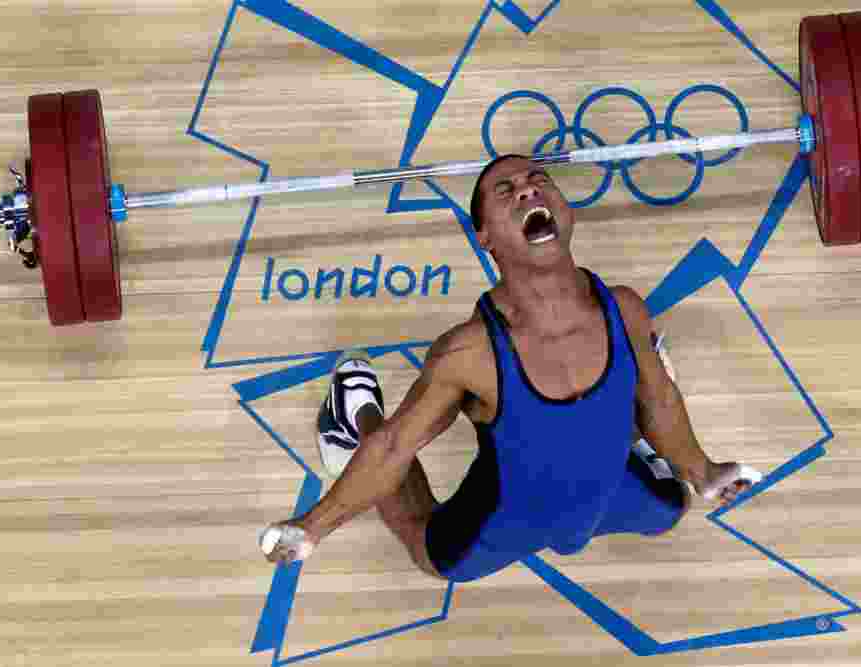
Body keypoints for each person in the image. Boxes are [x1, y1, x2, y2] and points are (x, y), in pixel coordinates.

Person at [259, 154, 762, 580]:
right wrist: (314, 526)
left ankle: (638, 439)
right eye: (506, 191)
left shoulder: (626, 310)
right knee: (432, 556)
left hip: (608, 493)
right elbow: (394, 448)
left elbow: (661, 399)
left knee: (674, 506)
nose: (527, 191)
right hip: (509, 515)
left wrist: (703, 469)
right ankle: (353, 415)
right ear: (486, 238)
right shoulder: (469, 355)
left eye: (538, 181)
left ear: (564, 212)